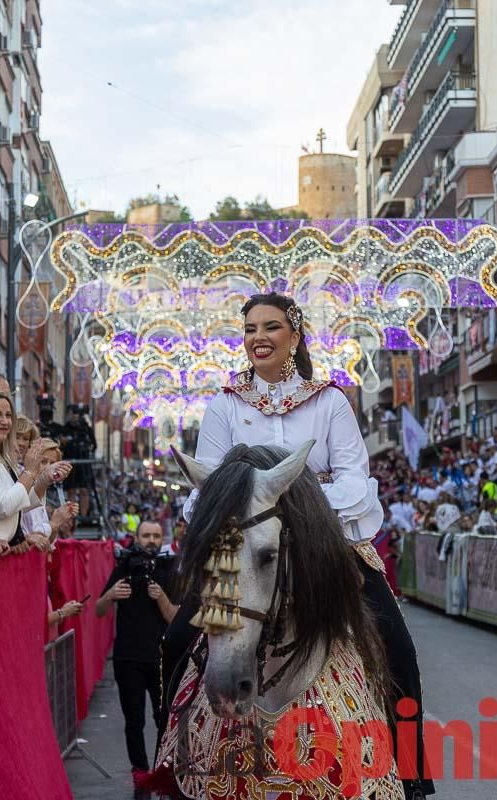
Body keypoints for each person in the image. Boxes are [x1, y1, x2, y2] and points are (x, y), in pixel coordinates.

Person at [180, 292, 432, 798]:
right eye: (250, 329)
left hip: (325, 545)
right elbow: (203, 490)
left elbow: (355, 482)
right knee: (175, 639)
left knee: (399, 651)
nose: (259, 338)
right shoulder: (224, 404)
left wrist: (296, 505)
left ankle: (410, 775)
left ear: (294, 337)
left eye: (270, 327)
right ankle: (177, 761)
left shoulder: (329, 400)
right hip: (244, 546)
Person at [94, 520, 177, 795]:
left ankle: (163, 771)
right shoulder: (123, 567)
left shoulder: (168, 569)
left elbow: (174, 618)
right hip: (128, 658)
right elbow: (98, 610)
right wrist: (110, 595)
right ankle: (140, 776)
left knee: (163, 719)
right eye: (146, 535)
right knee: (134, 721)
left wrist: (161, 597)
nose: (151, 540)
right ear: (136, 538)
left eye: (156, 535)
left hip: (161, 658)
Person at [0, 389, 70, 549]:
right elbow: (4, 506)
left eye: (8, 416)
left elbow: (21, 502)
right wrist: (29, 472)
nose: (4, 421)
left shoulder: (4, 458)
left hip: (5, 551)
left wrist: (45, 478)